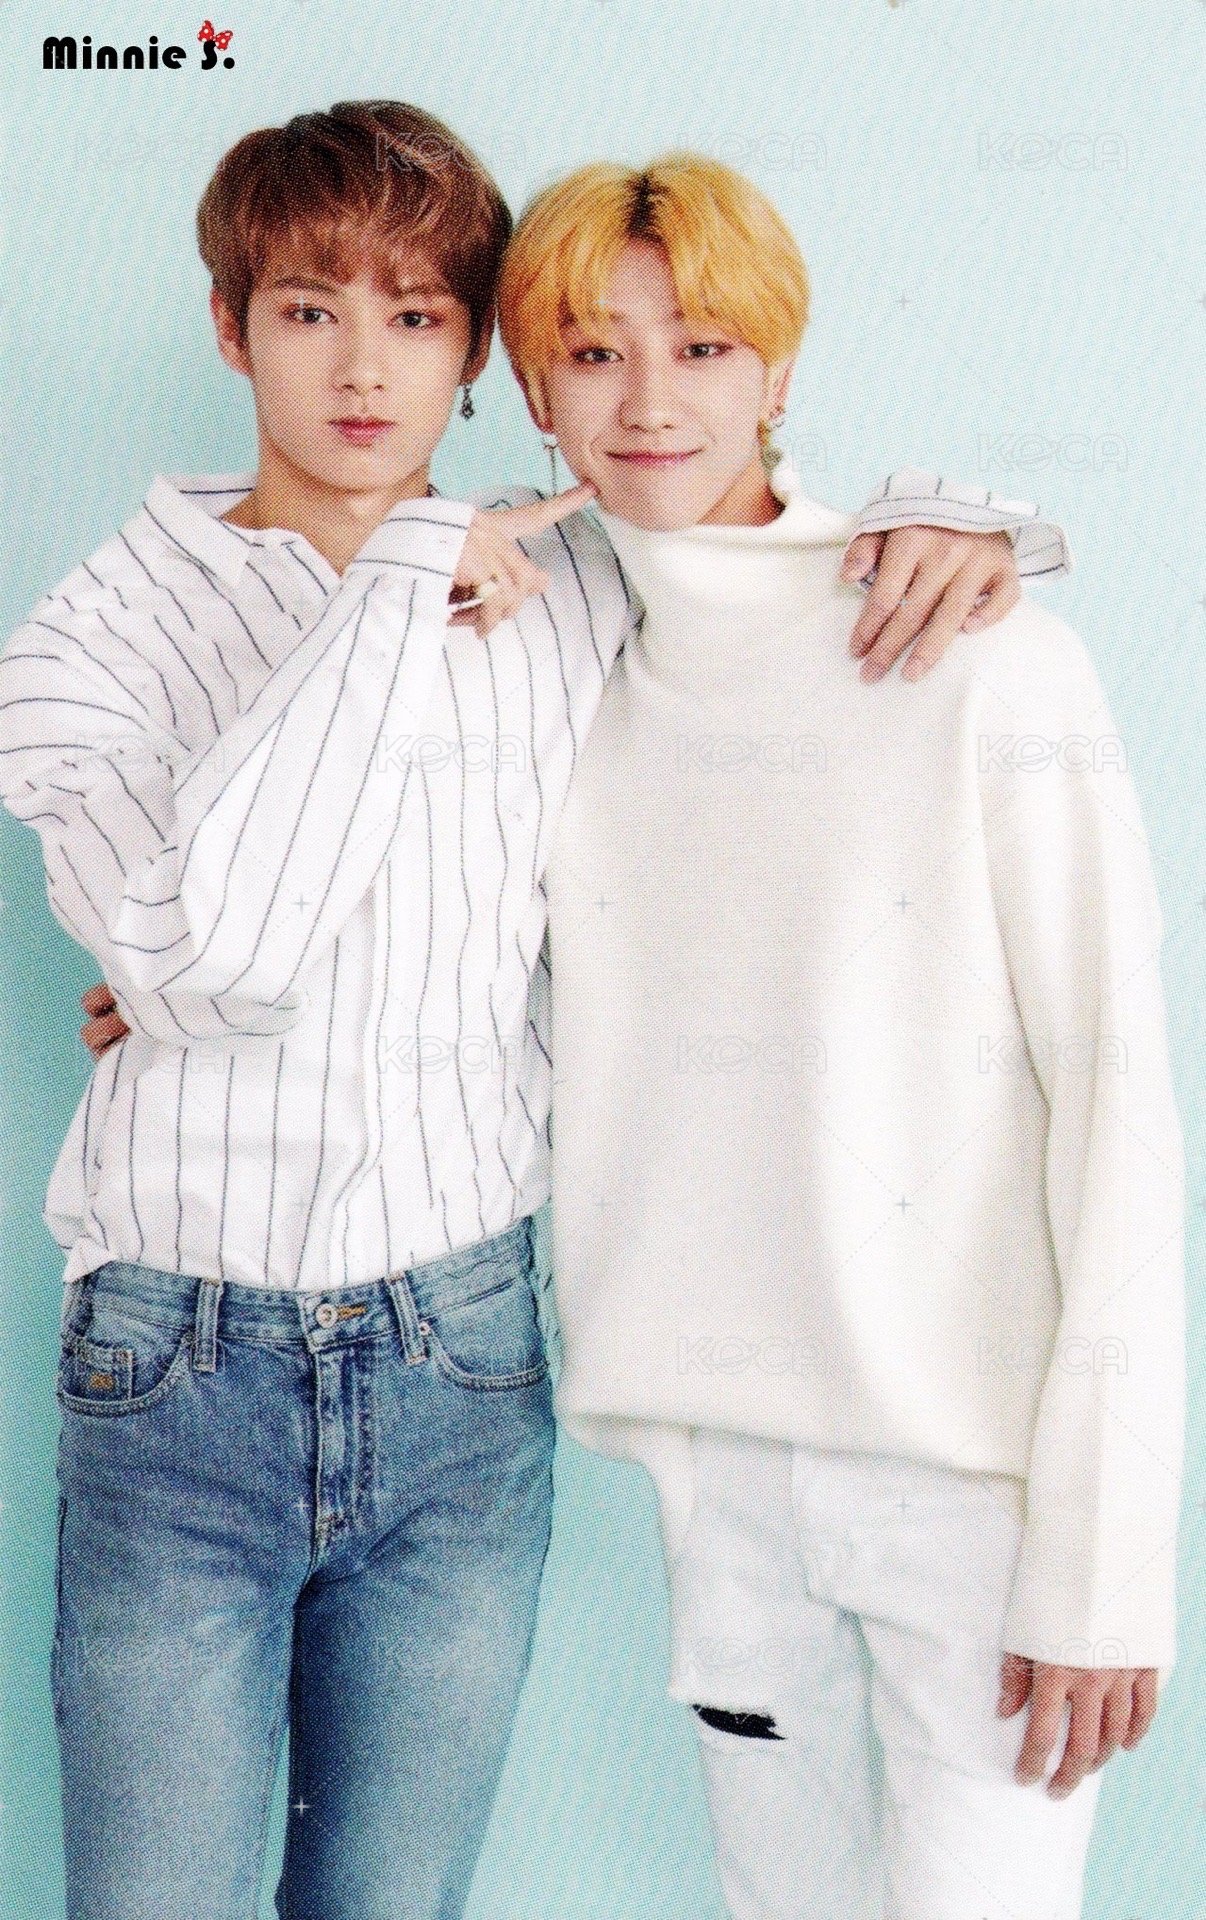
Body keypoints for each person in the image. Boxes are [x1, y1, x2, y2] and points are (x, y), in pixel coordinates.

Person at [5, 100, 1064, 1920]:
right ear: (230, 328)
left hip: (464, 1359)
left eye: (418, 318)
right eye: (309, 312)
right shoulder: (81, 645)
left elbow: (760, 571)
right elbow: (212, 964)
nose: (364, 369)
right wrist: (401, 588)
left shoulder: (572, 589)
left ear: (479, 353)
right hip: (178, 1374)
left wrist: (975, 525)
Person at [494, 155, 1185, 1920]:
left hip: (972, 1493)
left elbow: (1117, 1104)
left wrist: (1105, 1564)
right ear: (530, 390)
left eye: (704, 346)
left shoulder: (982, 658)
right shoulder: (540, 683)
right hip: (718, 1480)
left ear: (781, 373)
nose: (650, 401)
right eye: (591, 353)